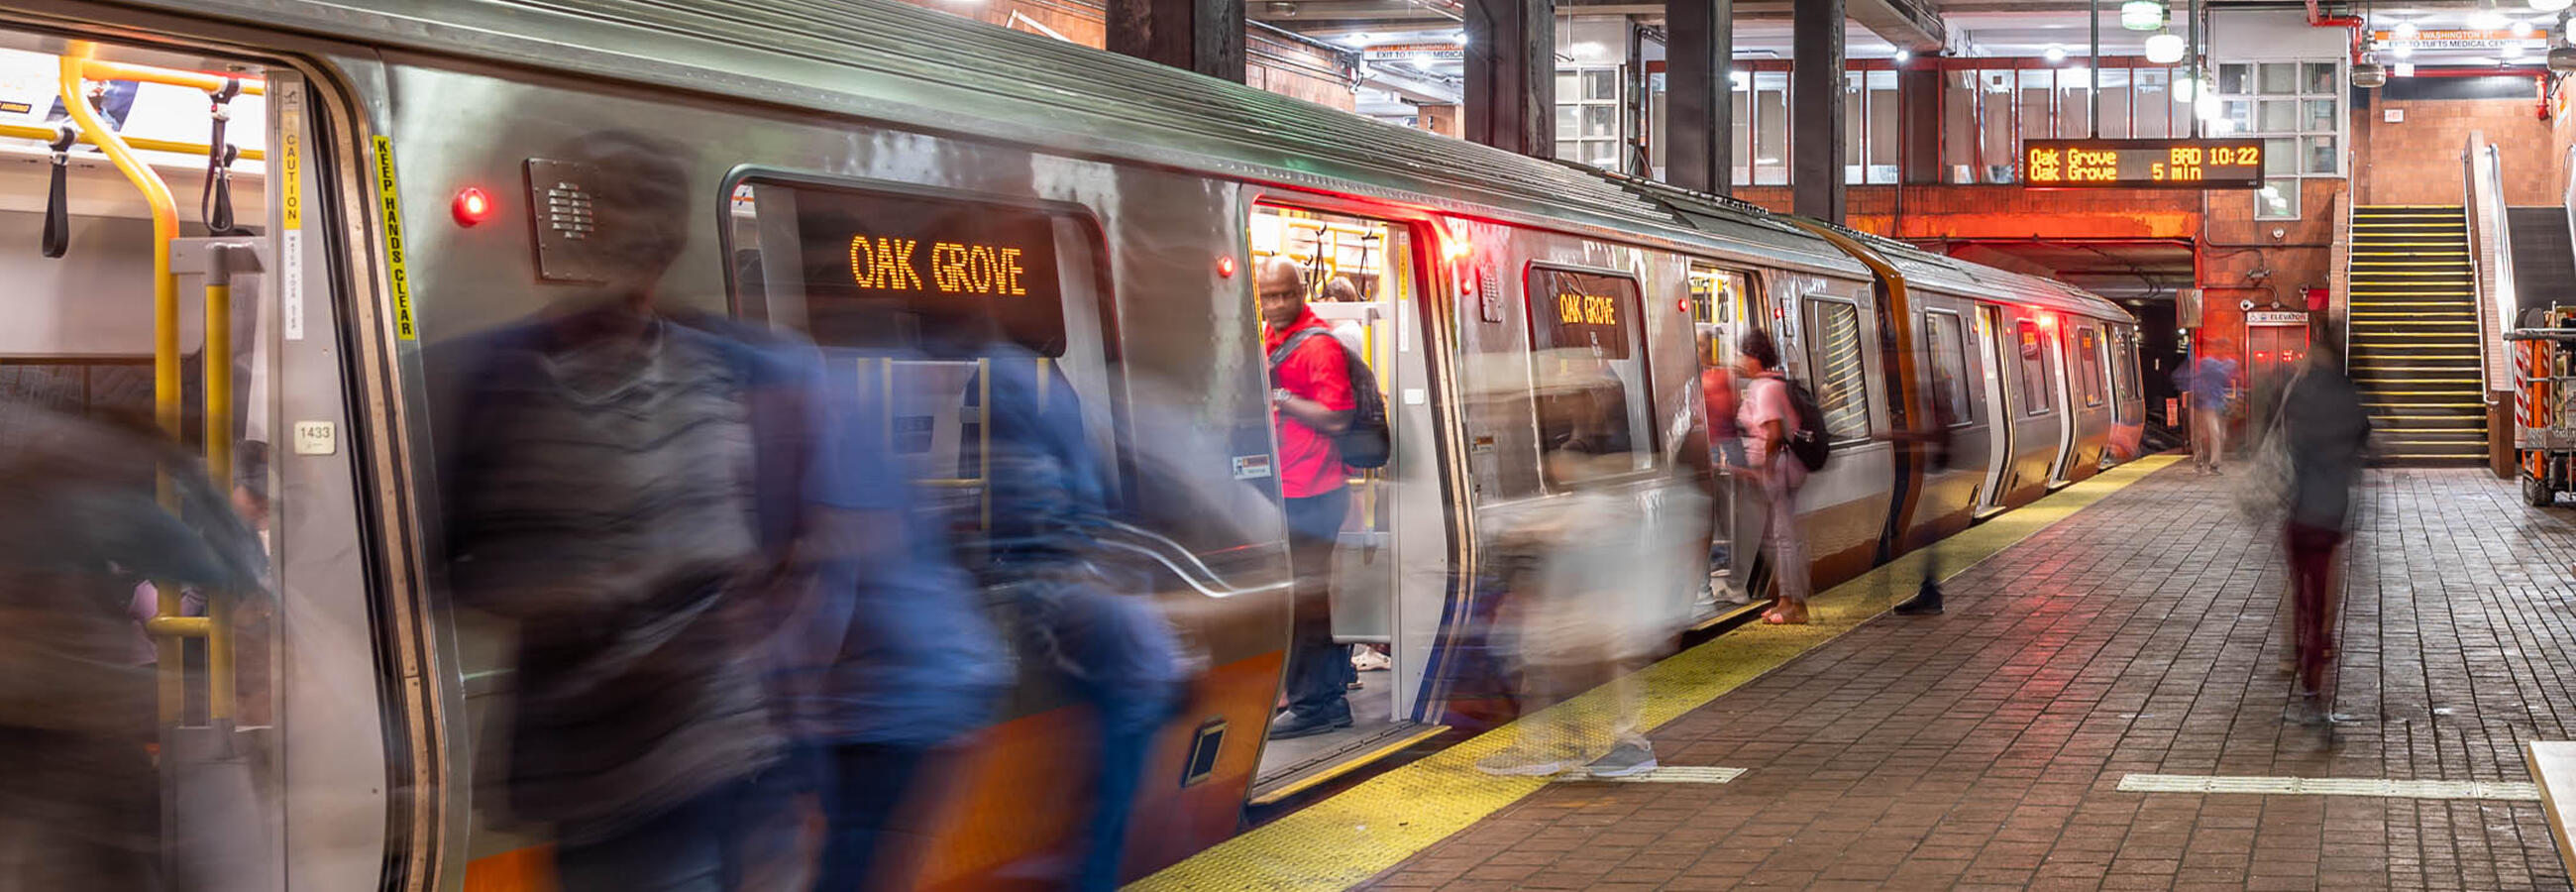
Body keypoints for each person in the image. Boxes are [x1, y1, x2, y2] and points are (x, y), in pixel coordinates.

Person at [439, 131, 814, 892]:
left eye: (647, 224)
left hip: (723, 756)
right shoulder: (505, 381)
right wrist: (606, 597)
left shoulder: (723, 368)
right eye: (616, 216)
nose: (635, 246)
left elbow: (787, 546)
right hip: (616, 777)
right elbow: (461, 566)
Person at [0, 401, 265, 892]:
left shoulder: (41, 480)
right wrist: (196, 480)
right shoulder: (93, 489)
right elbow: (221, 566)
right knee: (106, 850)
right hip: (56, 726)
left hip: (39, 722)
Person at [1258, 258, 1359, 740]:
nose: (1276, 305)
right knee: (1305, 596)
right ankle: (1323, 692)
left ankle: (1319, 701)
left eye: (1284, 295)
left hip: (1316, 491)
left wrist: (1279, 397)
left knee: (1310, 599)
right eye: (1268, 296)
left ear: (1302, 292)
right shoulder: (1272, 339)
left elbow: (1337, 417)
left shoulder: (1318, 345)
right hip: (1289, 489)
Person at [2279, 336, 2370, 721]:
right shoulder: (2346, 396)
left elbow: (2287, 443)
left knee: (2301, 595)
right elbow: (2362, 439)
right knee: (2322, 608)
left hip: (2298, 512)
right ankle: (2315, 686)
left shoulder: (2298, 392)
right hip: (2330, 516)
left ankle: (2300, 665)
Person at [1734, 329, 1810, 625]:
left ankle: (1795, 605)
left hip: (1778, 468)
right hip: (1786, 467)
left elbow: (1774, 433)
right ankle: (1786, 600)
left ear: (1754, 357)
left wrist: (1764, 468)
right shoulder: (1775, 384)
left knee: (1784, 537)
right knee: (1779, 536)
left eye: (1745, 355)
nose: (1743, 361)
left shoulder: (1764, 388)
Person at [1884, 369, 1959, 616]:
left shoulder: (1936, 400)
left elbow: (1934, 433)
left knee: (1927, 537)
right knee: (1928, 539)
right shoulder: (1939, 395)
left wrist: (1898, 435)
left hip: (1937, 475)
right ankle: (1930, 592)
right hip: (1938, 473)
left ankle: (1930, 594)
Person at [2183, 340, 2240, 474]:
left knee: (2218, 434)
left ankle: (2211, 463)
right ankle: (2203, 462)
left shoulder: (2227, 364)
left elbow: (2231, 381)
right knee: (2210, 433)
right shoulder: (2209, 363)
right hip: (2206, 404)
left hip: (2219, 404)